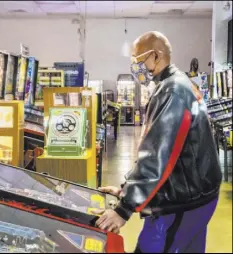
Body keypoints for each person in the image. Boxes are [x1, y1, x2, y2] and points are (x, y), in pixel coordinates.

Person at [93, 31, 222, 253]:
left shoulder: (172, 91)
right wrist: (127, 189)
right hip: (199, 194)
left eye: (137, 60)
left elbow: (157, 155)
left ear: (155, 55)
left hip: (181, 201)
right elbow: (167, 148)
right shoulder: (179, 83)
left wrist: (124, 209)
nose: (135, 67)